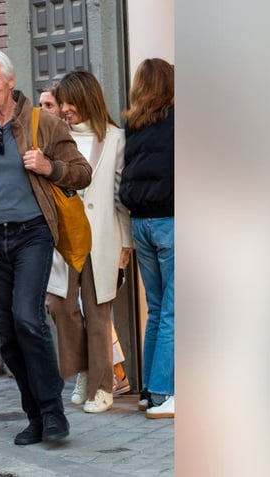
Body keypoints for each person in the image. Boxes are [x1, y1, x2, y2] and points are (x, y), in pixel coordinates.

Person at [0, 49, 91, 445]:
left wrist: (50, 168)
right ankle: (35, 416)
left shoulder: (42, 123)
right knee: (7, 336)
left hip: (33, 234)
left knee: (28, 318)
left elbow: (82, 173)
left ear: (10, 82)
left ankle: (52, 412)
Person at [45, 70, 132, 414]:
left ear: (85, 99)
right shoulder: (56, 138)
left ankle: (103, 386)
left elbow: (119, 196)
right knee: (61, 307)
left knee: (97, 313)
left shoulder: (115, 139)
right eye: (61, 102)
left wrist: (126, 243)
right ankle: (84, 370)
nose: (64, 108)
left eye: (69, 101)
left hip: (101, 239)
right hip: (64, 240)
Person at [118, 58, 175, 419]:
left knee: (157, 310)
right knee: (174, 312)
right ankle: (161, 394)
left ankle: (147, 392)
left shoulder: (133, 125)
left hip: (141, 223)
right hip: (171, 222)